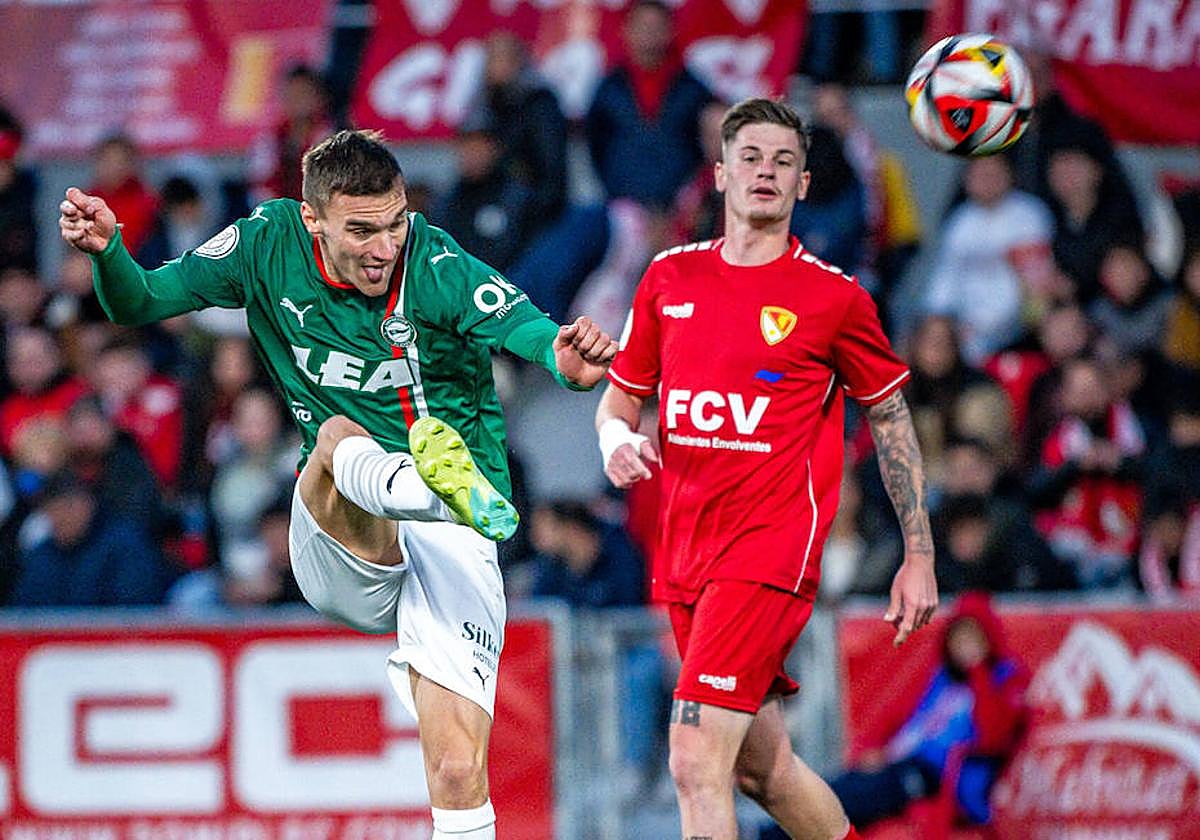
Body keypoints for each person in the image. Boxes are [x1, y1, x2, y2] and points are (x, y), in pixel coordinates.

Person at [60, 128, 616, 840]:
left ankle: (433, 492)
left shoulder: (435, 260)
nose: (385, 247)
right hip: (341, 521)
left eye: (394, 222)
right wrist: (109, 253)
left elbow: (529, 327)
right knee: (335, 437)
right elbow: (140, 302)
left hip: (458, 531)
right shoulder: (266, 244)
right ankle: (419, 484)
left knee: (454, 770)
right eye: (362, 230)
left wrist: (563, 359)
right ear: (313, 216)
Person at [595, 98, 937, 840]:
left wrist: (919, 551)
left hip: (768, 553)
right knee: (764, 770)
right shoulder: (667, 279)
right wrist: (614, 443)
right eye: (750, 157)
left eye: (783, 161)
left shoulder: (833, 298)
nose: (766, 173)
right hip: (686, 553)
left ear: (803, 185)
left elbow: (890, 417)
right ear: (719, 174)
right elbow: (618, 401)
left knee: (692, 759)